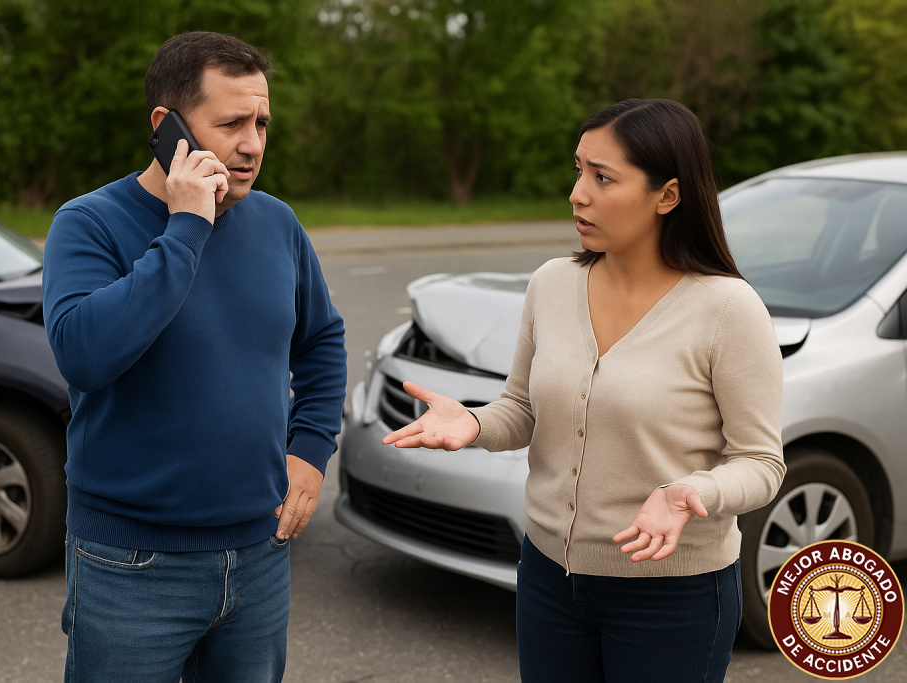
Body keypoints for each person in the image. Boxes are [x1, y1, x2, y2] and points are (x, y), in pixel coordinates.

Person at [382, 98, 785, 682]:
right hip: (547, 578)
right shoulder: (552, 283)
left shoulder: (728, 309)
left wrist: (689, 492)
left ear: (667, 196)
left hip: (671, 596)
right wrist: (472, 423)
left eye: (603, 178)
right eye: (579, 170)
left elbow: (760, 463)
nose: (578, 193)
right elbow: (520, 409)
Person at [42, 32, 347, 683]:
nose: (254, 143)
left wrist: (312, 451)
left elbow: (322, 342)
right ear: (167, 127)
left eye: (262, 121)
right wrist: (187, 225)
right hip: (132, 563)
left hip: (260, 556)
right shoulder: (88, 223)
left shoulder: (278, 223)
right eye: (233, 122)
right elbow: (85, 356)